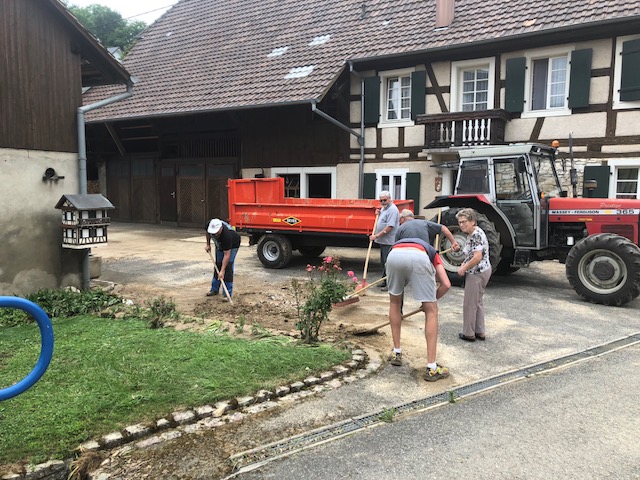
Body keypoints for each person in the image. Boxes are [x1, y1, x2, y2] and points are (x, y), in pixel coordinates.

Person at [385, 216, 452, 382]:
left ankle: (396, 352)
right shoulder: (430, 249)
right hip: (419, 258)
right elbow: (446, 284)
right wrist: (429, 303)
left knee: (394, 302)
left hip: (393, 255)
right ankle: (432, 368)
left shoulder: (399, 238)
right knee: (432, 312)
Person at [456, 208, 492, 342]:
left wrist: (463, 268)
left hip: (477, 272)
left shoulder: (476, 235)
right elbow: (471, 253)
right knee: (478, 302)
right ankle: (479, 331)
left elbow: (477, 257)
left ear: (472, 221)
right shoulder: (474, 233)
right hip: (483, 270)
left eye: (464, 222)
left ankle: (469, 333)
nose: (461, 225)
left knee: (470, 304)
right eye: (460, 222)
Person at [369, 190, 399, 291]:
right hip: (383, 241)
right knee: (383, 262)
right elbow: (383, 218)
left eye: (385, 200)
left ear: (390, 199)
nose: (382, 202)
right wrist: (379, 212)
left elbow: (390, 226)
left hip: (389, 241)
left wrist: (376, 236)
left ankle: (390, 284)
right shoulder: (385, 208)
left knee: (388, 263)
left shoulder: (392, 210)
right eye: (381, 200)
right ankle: (384, 280)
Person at [204, 218, 241, 299]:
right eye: (213, 233)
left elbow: (227, 255)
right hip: (220, 245)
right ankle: (214, 289)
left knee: (228, 267)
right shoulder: (209, 225)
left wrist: (222, 271)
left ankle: (227, 294)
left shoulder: (227, 236)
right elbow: (207, 232)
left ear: (221, 229)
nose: (214, 235)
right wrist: (208, 244)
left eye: (216, 233)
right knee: (218, 265)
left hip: (233, 245)